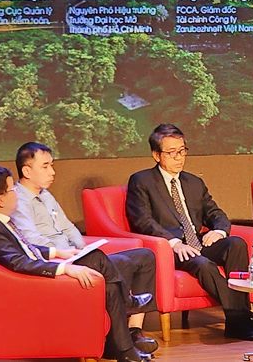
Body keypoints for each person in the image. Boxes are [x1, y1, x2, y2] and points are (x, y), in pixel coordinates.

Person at [0, 166, 153, 362]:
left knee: (108, 281)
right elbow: (18, 262)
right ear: (1, 200)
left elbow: (24, 248)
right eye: (12, 189)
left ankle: (122, 349)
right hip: (30, 286)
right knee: (97, 261)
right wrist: (64, 268)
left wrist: (57, 252)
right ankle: (127, 310)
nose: (16, 194)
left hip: (34, 274)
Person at [125, 124, 253, 341]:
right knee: (203, 264)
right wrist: (173, 242)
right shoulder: (142, 181)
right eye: (171, 152)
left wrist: (219, 231)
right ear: (156, 155)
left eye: (182, 151)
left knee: (236, 244)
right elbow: (143, 221)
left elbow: (215, 213)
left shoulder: (194, 182)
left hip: (197, 242)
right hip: (170, 249)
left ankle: (237, 323)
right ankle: (244, 318)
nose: (179, 158)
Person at [9, 142, 159, 357]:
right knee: (117, 264)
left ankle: (133, 331)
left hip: (75, 255)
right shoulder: (18, 200)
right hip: (58, 263)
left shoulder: (46, 195)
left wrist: (82, 249)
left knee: (145, 256)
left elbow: (68, 228)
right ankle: (125, 313)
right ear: (26, 171)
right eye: (45, 166)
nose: (52, 172)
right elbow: (32, 241)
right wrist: (66, 254)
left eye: (52, 165)